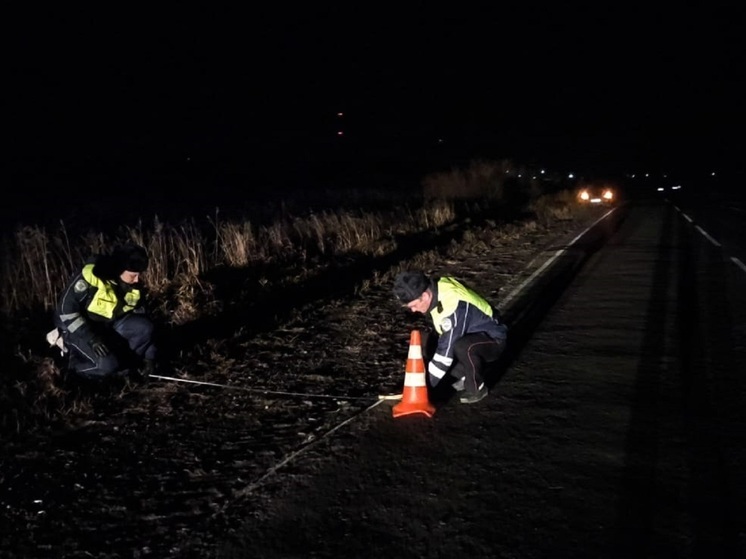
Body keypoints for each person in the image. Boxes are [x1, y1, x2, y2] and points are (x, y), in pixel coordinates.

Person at [393, 270, 507, 404]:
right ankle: (466, 374)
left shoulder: (452, 306)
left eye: (413, 305)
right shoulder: (436, 288)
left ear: (424, 296)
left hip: (493, 339)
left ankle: (476, 388)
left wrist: (422, 388)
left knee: (461, 347)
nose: (413, 310)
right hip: (472, 332)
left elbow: (444, 354)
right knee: (429, 343)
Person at [53, 243, 157, 382]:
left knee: (144, 327)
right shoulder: (91, 277)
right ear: (120, 269)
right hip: (78, 331)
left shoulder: (132, 286)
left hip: (107, 327)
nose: (137, 279)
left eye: (139, 275)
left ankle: (126, 368)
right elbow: (66, 311)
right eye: (133, 275)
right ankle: (70, 367)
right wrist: (91, 338)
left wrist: (149, 357)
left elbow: (143, 321)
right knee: (106, 366)